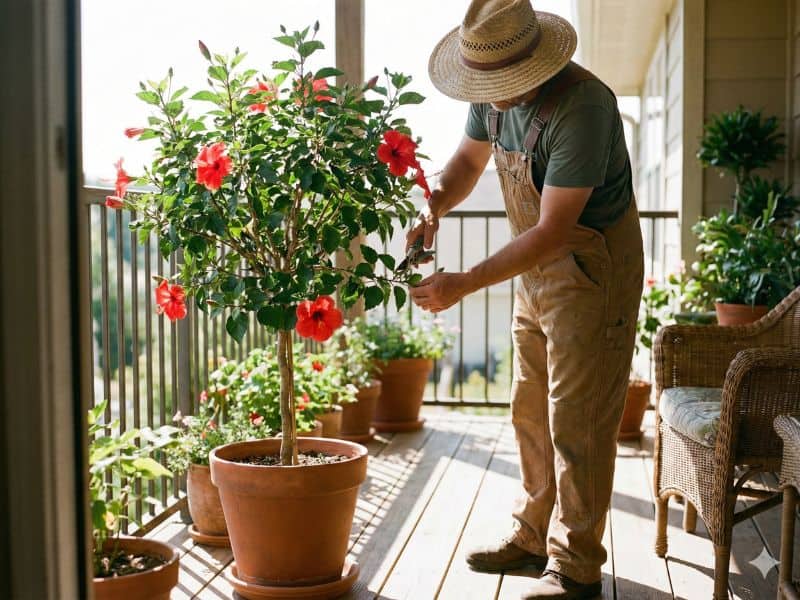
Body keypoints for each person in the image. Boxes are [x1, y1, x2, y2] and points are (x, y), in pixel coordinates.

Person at [407, 1, 644, 598]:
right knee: (530, 405)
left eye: (503, 84)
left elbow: (554, 230)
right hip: (536, 272)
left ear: (535, 64)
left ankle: (576, 567)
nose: (493, 94)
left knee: (579, 417)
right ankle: (533, 535)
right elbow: (464, 164)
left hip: (591, 268)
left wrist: (463, 283)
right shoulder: (491, 88)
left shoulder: (584, 107)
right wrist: (433, 202)